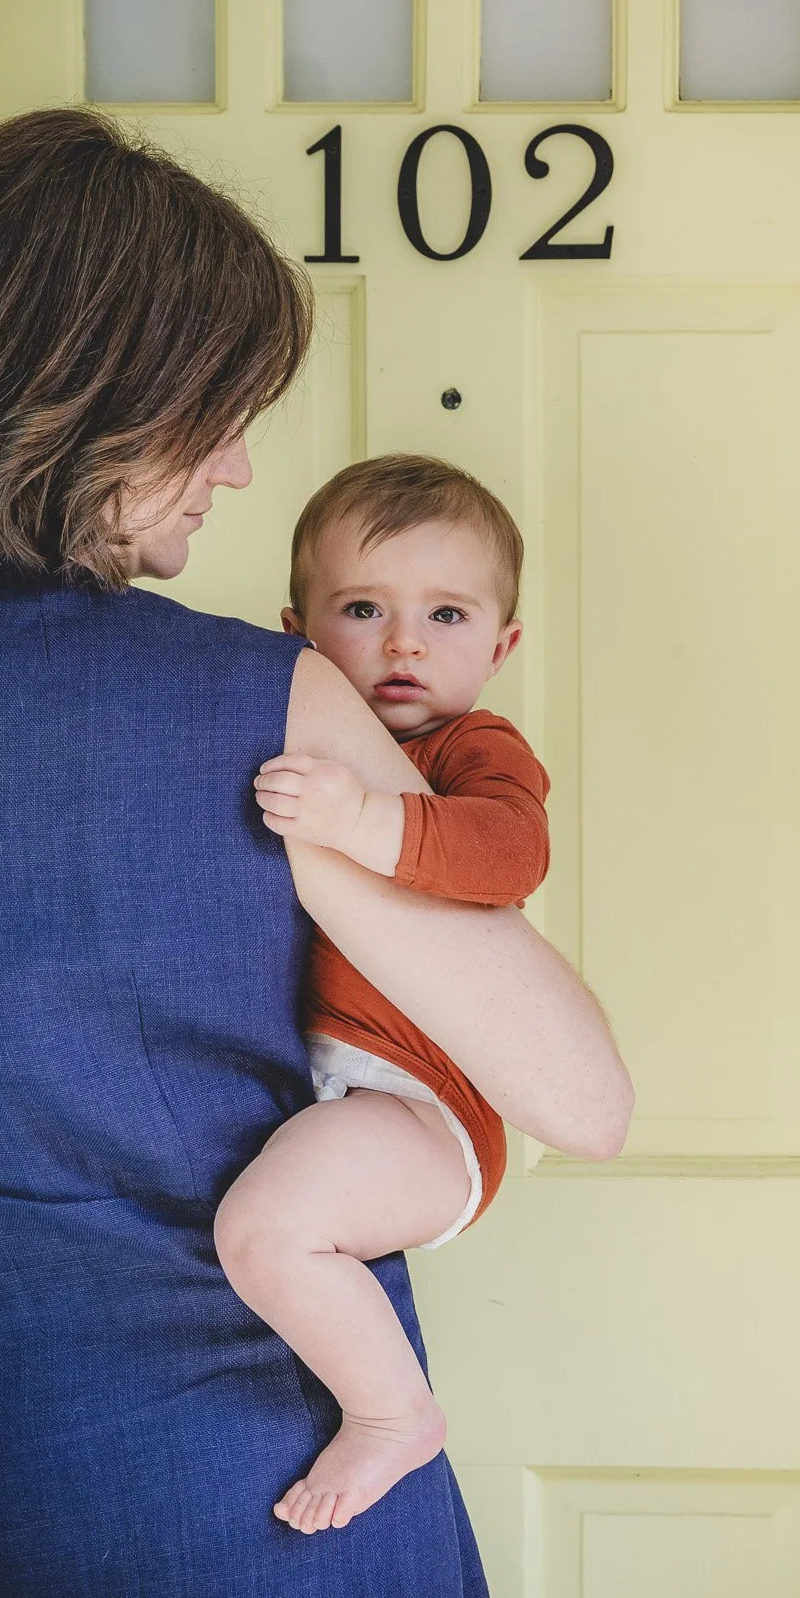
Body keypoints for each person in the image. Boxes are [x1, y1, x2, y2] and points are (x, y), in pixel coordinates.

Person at [0, 106, 633, 1598]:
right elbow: (578, 1101)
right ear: (96, 400)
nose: (244, 464)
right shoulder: (256, 701)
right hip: (260, 1495)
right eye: (217, 415)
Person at [216, 454, 551, 1534]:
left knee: (268, 1230)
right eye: (363, 608)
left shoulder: (471, 747)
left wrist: (364, 818)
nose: (404, 642)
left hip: (425, 1102)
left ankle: (391, 1410)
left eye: (446, 613)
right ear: (295, 631)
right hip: (327, 1088)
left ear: (499, 646)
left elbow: (509, 854)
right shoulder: (277, 734)